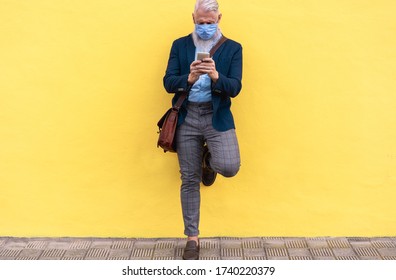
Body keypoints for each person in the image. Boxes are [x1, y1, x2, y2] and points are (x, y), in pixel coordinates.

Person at [163, 0, 242, 260]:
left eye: (211, 22)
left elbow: (235, 87)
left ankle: (209, 161)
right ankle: (192, 238)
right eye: (201, 22)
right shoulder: (180, 45)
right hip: (187, 116)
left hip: (215, 115)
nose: (206, 26)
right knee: (189, 179)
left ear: (219, 18)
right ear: (193, 18)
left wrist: (217, 77)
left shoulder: (232, 48)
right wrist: (188, 78)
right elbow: (167, 82)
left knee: (229, 167)